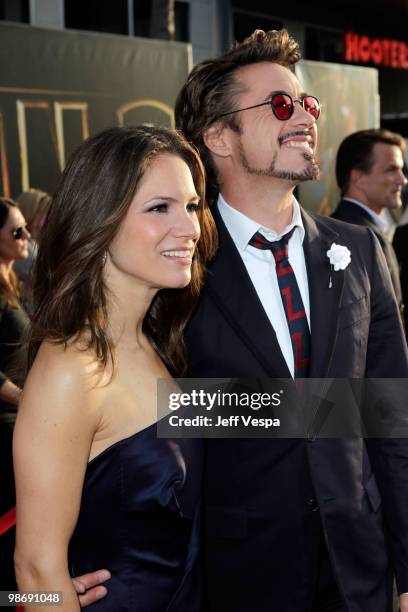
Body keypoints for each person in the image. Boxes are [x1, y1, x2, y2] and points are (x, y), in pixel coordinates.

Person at [72, 30, 408, 612]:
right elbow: (148, 414)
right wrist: (46, 587)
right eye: (281, 105)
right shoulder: (176, 263)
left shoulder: (359, 249)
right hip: (236, 580)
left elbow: (392, 416)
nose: (304, 115)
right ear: (219, 137)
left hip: (361, 572)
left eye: (308, 103)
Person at [13, 125, 217, 611]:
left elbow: (250, 412)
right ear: (98, 219)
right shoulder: (71, 368)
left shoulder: (157, 342)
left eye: (191, 206)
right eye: (159, 208)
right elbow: (35, 570)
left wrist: (375, 411)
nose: (189, 227)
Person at [332, 128, 406, 312]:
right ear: (358, 177)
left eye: (402, 170)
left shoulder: (337, 229)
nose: (402, 180)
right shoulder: (362, 237)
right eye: (392, 170)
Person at [0, 197, 30, 588]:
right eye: (16, 231)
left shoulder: (11, 282)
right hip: (5, 430)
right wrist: (26, 399)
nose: (26, 237)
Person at [13, 188, 52, 289]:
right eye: (44, 215)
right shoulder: (21, 247)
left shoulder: (33, 245)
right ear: (31, 214)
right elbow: (47, 280)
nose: (49, 221)